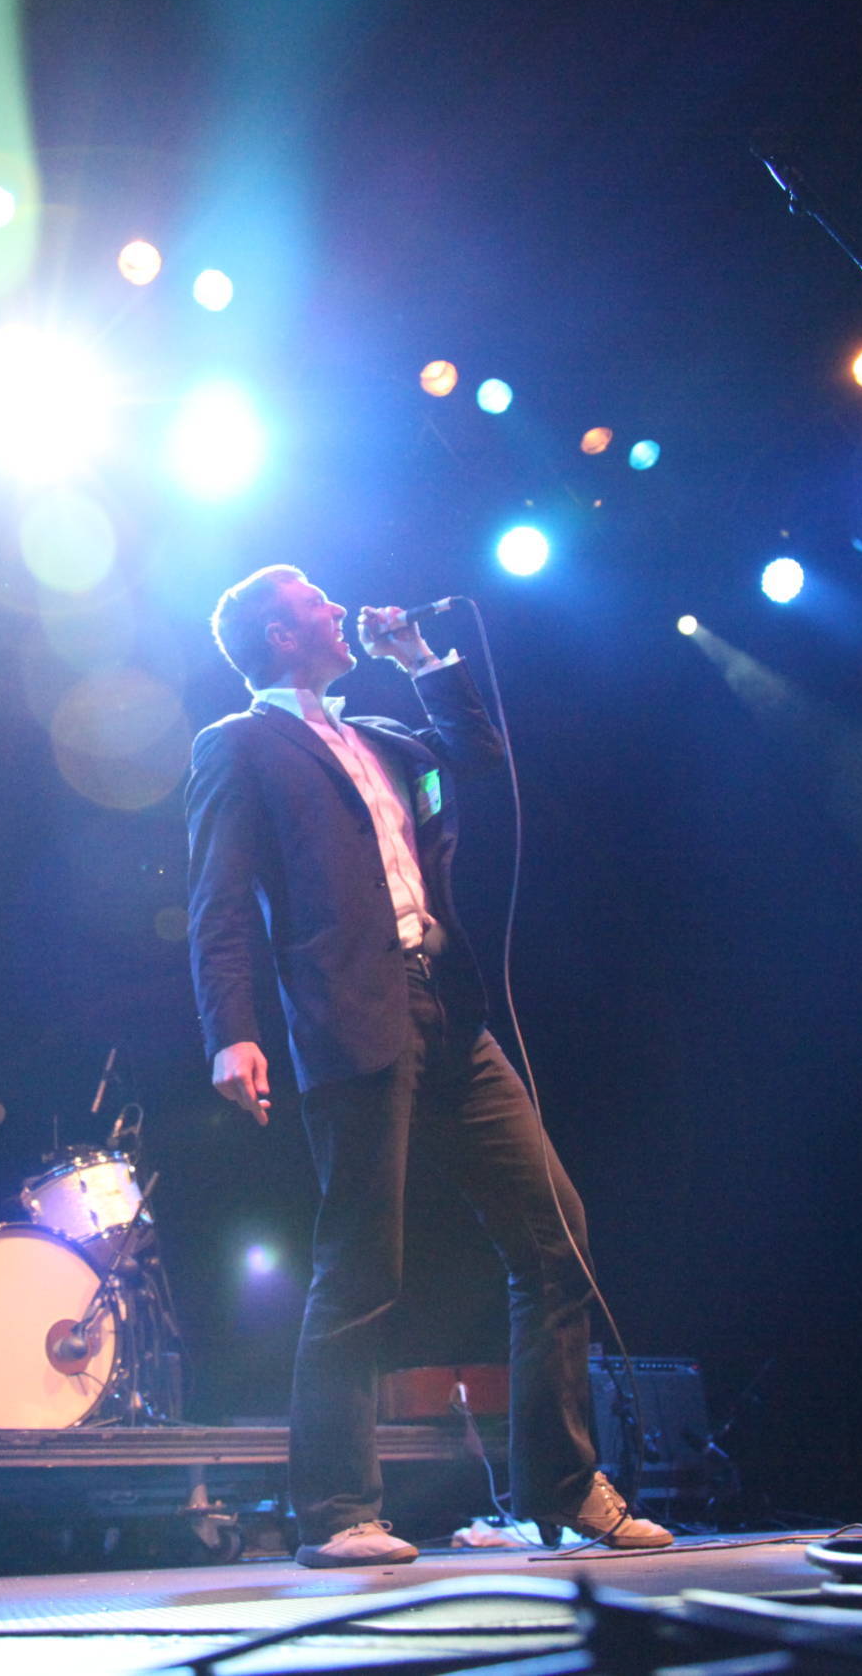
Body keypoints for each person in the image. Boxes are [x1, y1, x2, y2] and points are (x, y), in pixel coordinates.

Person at [184, 565, 668, 1567]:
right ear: (280, 636)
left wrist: (420, 661)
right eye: (316, 601)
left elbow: (478, 757)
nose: (337, 607)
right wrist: (233, 1029)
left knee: (554, 1237)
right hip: (353, 1013)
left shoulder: (382, 738)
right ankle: (337, 1511)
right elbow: (219, 900)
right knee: (361, 1262)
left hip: (448, 1005)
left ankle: (563, 1489)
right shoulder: (238, 745)